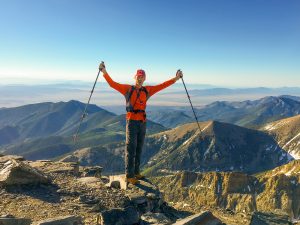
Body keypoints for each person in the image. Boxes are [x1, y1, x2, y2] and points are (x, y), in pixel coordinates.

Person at [100, 62, 183, 184]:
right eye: (138, 76)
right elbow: (113, 84)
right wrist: (104, 72)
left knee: (139, 148)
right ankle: (129, 175)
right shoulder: (128, 89)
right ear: (135, 77)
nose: (140, 78)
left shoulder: (147, 90)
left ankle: (137, 172)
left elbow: (162, 85)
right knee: (131, 148)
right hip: (132, 121)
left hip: (142, 122)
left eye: (142, 77)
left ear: (144, 78)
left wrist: (176, 78)